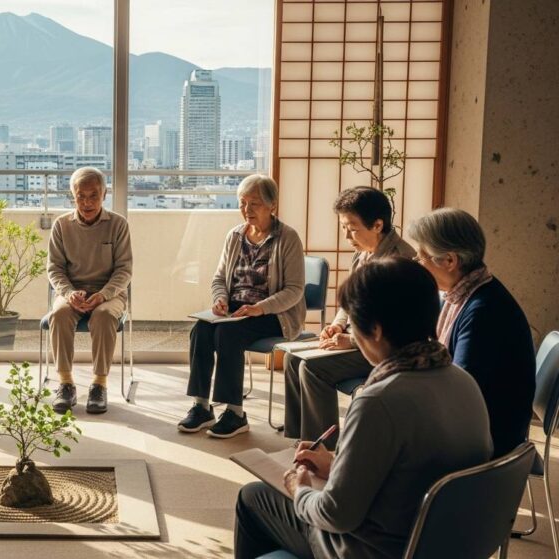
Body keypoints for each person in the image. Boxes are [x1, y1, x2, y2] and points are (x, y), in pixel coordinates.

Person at [234, 257, 492, 558]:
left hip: (373, 550)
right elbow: (411, 472)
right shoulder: (464, 382)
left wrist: (299, 488)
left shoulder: (378, 401)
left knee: (253, 497)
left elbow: (336, 515)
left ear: (377, 330)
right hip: (442, 543)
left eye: (354, 323)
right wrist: (336, 467)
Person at [282, 187, 415, 449]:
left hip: (387, 350)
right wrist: (336, 325)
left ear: (377, 225)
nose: (346, 235)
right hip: (361, 340)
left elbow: (393, 324)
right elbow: (350, 300)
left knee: (312, 368)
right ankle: (304, 440)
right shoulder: (362, 254)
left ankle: (324, 446)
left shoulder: (400, 261)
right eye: (344, 227)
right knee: (292, 357)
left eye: (352, 227)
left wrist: (351, 340)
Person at [179, 175, 305, 438]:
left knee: (228, 334)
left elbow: (294, 290)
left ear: (272, 206)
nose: (247, 210)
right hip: (235, 309)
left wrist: (259, 308)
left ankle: (235, 413)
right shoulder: (235, 235)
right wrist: (220, 299)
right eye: (242, 203)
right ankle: (201, 407)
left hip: (274, 313)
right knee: (201, 330)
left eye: (255, 204)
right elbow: (219, 278)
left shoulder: (288, 238)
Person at [410, 208, 535, 458]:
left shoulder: (484, 311)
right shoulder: (465, 292)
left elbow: (461, 391)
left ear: (449, 261)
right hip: (475, 423)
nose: (416, 262)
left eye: (421, 256)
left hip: (486, 439)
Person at [47, 167, 132, 415]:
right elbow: (54, 268)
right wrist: (68, 292)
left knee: (104, 316)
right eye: (80, 196)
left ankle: (99, 385)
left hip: (109, 294)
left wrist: (104, 294)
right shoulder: (61, 225)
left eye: (93, 195)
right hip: (72, 292)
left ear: (104, 194)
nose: (87, 202)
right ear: (72, 196)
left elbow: (124, 270)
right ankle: (65, 383)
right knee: (59, 315)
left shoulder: (118, 224)